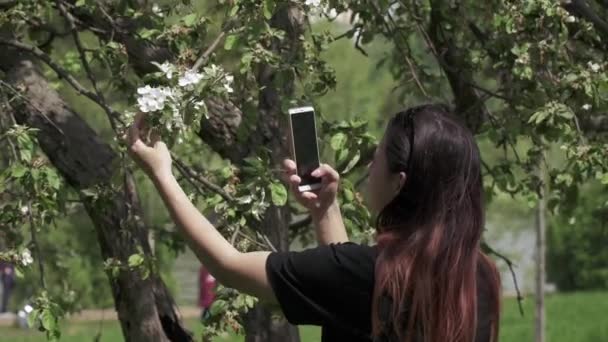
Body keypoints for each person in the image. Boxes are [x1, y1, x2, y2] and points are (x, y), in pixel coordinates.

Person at [127, 104, 501, 342]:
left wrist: (162, 174)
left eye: (379, 157)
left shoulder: (374, 273)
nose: (371, 167)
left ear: (400, 183)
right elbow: (343, 292)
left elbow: (230, 265)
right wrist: (325, 209)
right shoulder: (478, 276)